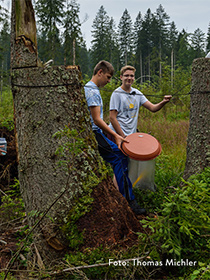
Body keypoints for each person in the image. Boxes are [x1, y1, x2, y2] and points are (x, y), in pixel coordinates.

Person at [84, 60, 146, 215]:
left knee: (115, 160)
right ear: (100, 73)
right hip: (94, 133)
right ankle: (129, 201)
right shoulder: (92, 91)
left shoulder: (88, 87)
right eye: (108, 76)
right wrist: (116, 135)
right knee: (119, 157)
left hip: (94, 132)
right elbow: (97, 120)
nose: (109, 81)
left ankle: (119, 195)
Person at [109, 65, 172, 138]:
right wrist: (122, 136)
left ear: (134, 78)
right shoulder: (116, 94)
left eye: (131, 76)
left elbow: (153, 108)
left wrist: (164, 101)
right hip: (117, 135)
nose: (129, 78)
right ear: (121, 77)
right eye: (126, 75)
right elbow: (112, 118)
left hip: (131, 135)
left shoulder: (137, 93)